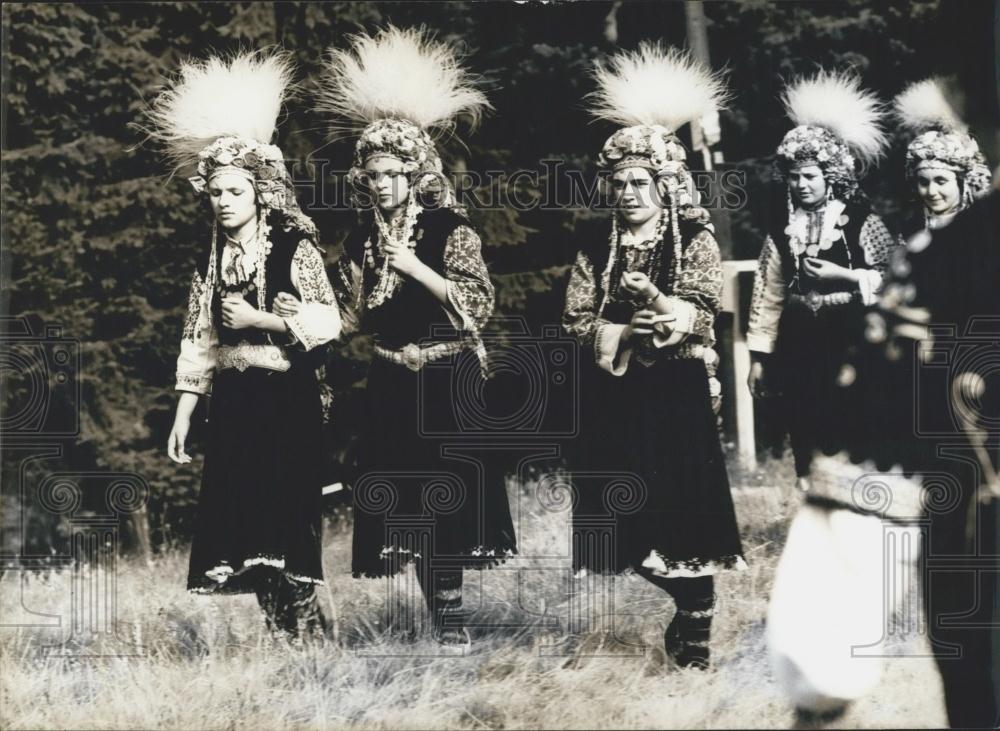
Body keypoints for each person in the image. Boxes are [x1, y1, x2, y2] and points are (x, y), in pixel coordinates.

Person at [310, 26, 516, 648]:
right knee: (410, 514)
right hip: (391, 384)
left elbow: (478, 306)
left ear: (417, 172)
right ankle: (441, 618)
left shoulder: (451, 230)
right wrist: (304, 313)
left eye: (393, 173)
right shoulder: (361, 242)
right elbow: (353, 316)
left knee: (445, 506)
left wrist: (418, 270)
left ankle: (451, 621)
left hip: (446, 382)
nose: (381, 184)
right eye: (371, 174)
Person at [562, 44, 746, 670]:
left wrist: (657, 304)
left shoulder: (693, 236)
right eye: (619, 184)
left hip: (676, 392)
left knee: (683, 520)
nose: (629, 192)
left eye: (641, 182)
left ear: (667, 184)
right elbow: (576, 316)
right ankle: (689, 606)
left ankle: (696, 628)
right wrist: (622, 327)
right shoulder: (595, 241)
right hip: (615, 395)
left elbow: (702, 305)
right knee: (620, 526)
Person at [149, 51, 341, 639]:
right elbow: (198, 337)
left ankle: (314, 634)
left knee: (282, 523)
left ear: (259, 193)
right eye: (214, 192)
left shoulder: (294, 250)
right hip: (233, 406)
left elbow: (329, 321)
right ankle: (290, 640)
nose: (224, 200)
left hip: (286, 400)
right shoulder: (210, 263)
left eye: (235, 190)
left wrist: (265, 320)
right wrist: (184, 412)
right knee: (242, 530)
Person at [746, 71, 895, 491]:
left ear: (831, 175)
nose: (801, 184)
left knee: (851, 424)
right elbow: (767, 294)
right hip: (800, 342)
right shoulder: (781, 232)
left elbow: (892, 281)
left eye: (809, 175)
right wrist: (760, 359)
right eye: (793, 176)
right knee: (804, 424)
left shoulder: (863, 223)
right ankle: (814, 511)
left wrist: (843, 275)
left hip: (850, 338)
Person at [893, 78, 993, 239]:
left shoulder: (984, 230)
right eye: (924, 182)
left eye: (941, 181)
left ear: (962, 182)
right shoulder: (910, 230)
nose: (931, 191)